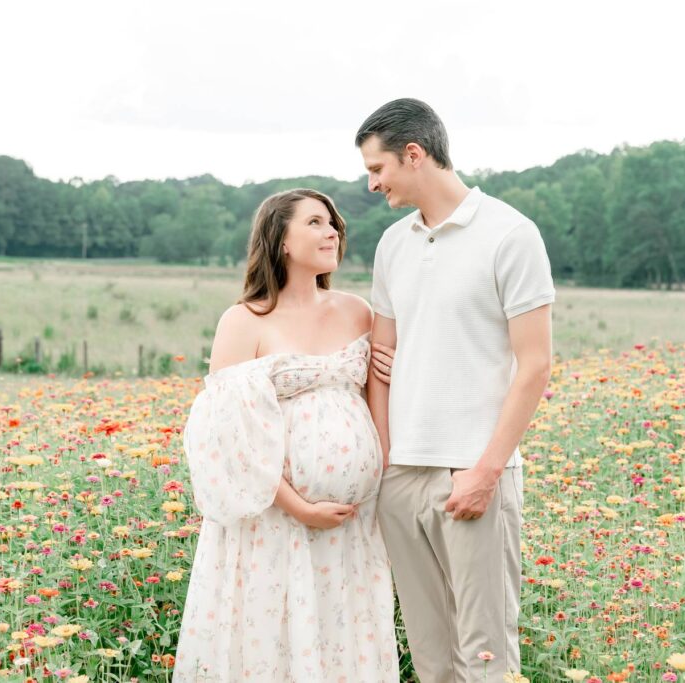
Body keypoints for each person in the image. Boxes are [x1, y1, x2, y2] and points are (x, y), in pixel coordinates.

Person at [359, 98, 555, 683]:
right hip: (402, 477)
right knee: (431, 654)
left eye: (377, 168)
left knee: (487, 654)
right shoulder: (393, 243)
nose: (372, 184)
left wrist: (486, 471)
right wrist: (387, 464)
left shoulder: (510, 235)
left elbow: (536, 364)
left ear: (413, 154)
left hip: (472, 472)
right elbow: (382, 360)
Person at [173, 188, 398, 682]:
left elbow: (375, 403)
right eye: (316, 222)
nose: (332, 231)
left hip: (353, 527)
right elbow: (227, 437)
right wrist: (299, 505)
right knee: (272, 643)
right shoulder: (244, 320)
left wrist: (381, 479)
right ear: (280, 241)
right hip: (273, 522)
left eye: (334, 223)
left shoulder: (358, 311)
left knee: (343, 640)